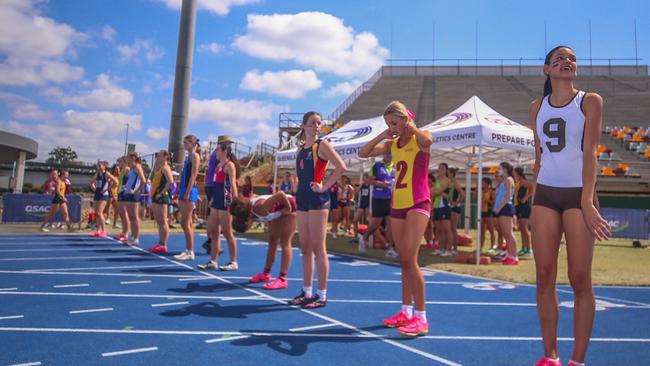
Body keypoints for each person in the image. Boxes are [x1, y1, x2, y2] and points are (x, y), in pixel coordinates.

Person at [531, 45, 610, 366]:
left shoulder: (590, 101)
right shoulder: (536, 106)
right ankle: (550, 355)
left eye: (572, 58)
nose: (567, 62)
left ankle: (577, 360)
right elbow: (538, 158)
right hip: (546, 194)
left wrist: (588, 201)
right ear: (547, 69)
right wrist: (536, 191)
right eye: (559, 58)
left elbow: (591, 152)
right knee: (544, 275)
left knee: (579, 278)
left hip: (578, 193)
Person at [359, 101, 433, 337]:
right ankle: (405, 311)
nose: (392, 127)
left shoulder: (420, 138)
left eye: (394, 122)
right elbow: (363, 153)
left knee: (410, 260)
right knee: (404, 261)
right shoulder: (392, 143)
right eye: (388, 123)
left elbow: (428, 141)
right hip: (397, 204)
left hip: (418, 202)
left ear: (405, 119)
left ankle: (421, 318)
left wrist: (410, 126)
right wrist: (383, 133)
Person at [288, 111, 346, 309]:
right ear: (304, 126)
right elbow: (299, 174)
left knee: (318, 247)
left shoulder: (322, 145)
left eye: (319, 123)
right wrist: (296, 189)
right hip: (303, 197)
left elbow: (341, 167)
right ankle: (307, 291)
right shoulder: (300, 149)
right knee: (304, 246)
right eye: (312, 123)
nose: (317, 126)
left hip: (318, 198)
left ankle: (321, 295)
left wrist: (324, 186)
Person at [231, 190, 297, 289]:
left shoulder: (260, 207)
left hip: (291, 205)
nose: (249, 227)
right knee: (272, 240)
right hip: (279, 210)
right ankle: (266, 274)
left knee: (285, 242)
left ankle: (283, 278)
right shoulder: (249, 212)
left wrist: (288, 208)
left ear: (248, 218)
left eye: (247, 227)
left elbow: (280, 194)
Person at [198, 136, 240, 270]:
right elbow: (217, 184)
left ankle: (233, 261)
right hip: (216, 199)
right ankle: (213, 260)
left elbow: (232, 184)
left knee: (227, 232)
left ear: (224, 152)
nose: (216, 153)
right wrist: (212, 199)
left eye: (218, 151)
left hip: (226, 200)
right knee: (212, 230)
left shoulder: (229, 165)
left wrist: (235, 200)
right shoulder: (217, 166)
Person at [357, 153, 395, 255]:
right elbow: (370, 181)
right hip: (379, 198)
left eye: (391, 154)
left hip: (391, 199)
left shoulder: (395, 166)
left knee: (390, 224)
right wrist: (383, 184)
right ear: (383, 155)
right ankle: (364, 238)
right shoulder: (377, 166)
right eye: (387, 154)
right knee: (376, 223)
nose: (389, 156)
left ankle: (390, 248)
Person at [174, 135, 201, 261]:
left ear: (192, 143)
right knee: (186, 222)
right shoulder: (188, 157)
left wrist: (187, 192)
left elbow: (194, 174)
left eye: (186, 142)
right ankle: (188, 249)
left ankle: (190, 251)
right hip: (184, 189)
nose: (184, 145)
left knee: (185, 222)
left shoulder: (195, 156)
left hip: (190, 191)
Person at [148, 150, 174, 253]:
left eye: (159, 155)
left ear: (165, 156)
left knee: (163, 221)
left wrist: (162, 193)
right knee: (159, 221)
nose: (157, 157)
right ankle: (160, 242)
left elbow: (171, 182)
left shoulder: (165, 168)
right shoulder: (159, 168)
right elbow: (155, 177)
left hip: (162, 196)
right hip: (156, 195)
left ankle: (163, 244)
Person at [493, 162, 518, 264]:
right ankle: (509, 254)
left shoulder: (509, 180)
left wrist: (499, 209)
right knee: (505, 234)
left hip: (506, 208)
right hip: (502, 208)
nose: (498, 171)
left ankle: (514, 256)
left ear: (505, 169)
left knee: (509, 233)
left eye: (500, 168)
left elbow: (507, 196)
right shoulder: (503, 180)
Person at [90, 161, 118, 237]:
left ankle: (104, 231)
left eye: (99, 165)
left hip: (104, 195)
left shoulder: (107, 174)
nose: (98, 167)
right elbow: (91, 182)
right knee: (97, 213)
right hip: (97, 194)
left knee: (100, 212)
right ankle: (98, 231)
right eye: (97, 165)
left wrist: (107, 189)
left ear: (104, 166)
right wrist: (95, 189)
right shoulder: (97, 174)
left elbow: (115, 181)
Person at [123, 152, 146, 246]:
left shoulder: (137, 167)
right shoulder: (132, 169)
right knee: (131, 217)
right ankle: (132, 237)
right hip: (128, 194)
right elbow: (132, 180)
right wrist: (126, 188)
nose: (126, 160)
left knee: (135, 217)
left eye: (127, 158)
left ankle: (136, 238)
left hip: (134, 195)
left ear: (133, 158)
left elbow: (143, 181)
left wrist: (136, 190)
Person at [431, 163, 453, 257]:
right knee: (439, 230)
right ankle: (441, 248)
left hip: (444, 206)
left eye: (442, 168)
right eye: (439, 168)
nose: (440, 170)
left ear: (446, 170)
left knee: (447, 229)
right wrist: (436, 192)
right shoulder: (437, 180)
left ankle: (448, 250)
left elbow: (438, 191)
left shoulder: (447, 180)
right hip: (437, 206)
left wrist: (437, 192)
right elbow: (431, 191)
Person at [202, 145, 219, 254]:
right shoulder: (219, 158)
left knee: (212, 216)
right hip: (215, 187)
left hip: (211, 186)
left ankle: (211, 241)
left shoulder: (214, 155)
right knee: (217, 218)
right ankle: (212, 242)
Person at [514, 166, 533, 257]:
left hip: (524, 207)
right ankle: (523, 248)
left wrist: (526, 197)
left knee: (524, 229)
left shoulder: (523, 182)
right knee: (521, 228)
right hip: (518, 206)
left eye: (514, 172)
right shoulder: (517, 182)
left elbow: (532, 187)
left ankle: (529, 249)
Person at [448, 167, 465, 255]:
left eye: (448, 173)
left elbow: (462, 193)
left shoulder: (455, 182)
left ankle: (455, 248)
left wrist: (457, 202)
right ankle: (450, 246)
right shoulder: (449, 182)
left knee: (453, 228)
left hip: (455, 207)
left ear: (451, 173)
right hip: (449, 206)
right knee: (449, 228)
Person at [115, 157, 131, 241]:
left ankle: (126, 234)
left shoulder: (127, 169)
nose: (119, 163)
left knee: (124, 214)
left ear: (125, 161)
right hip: (120, 192)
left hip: (124, 193)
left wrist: (125, 188)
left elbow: (130, 181)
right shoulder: (122, 170)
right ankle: (123, 232)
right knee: (122, 214)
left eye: (120, 161)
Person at [480, 177, 497, 254]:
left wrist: (488, 201)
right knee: (482, 231)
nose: (482, 184)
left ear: (488, 184)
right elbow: (474, 196)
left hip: (489, 213)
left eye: (483, 183)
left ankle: (492, 246)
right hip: (482, 212)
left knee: (491, 230)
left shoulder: (491, 192)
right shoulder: (481, 192)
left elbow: (494, 202)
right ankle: (480, 247)